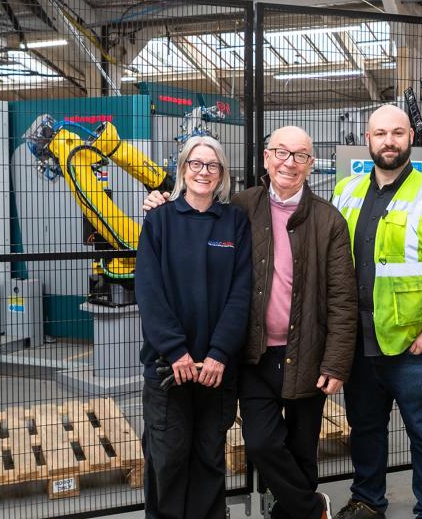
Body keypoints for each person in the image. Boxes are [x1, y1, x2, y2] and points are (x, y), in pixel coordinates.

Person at [143, 126, 358, 519]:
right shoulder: (240, 208)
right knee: (252, 445)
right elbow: (155, 289)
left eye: (300, 156)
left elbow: (342, 297)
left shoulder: (325, 220)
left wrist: (336, 361)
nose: (288, 163)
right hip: (252, 355)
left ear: (311, 164)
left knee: (299, 448)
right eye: (280, 152)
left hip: (299, 351)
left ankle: (299, 511)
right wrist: (159, 199)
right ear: (265, 157)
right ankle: (310, 508)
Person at [329, 105, 422, 519]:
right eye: (380, 134)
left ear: (411, 137)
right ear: (368, 138)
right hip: (359, 342)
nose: (389, 141)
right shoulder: (346, 191)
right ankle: (367, 499)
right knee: (366, 429)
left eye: (397, 133)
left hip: (415, 345)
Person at [136, 135, 252, 519]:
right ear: (183, 169)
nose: (204, 171)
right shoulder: (159, 220)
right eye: (196, 163)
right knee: (167, 459)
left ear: (221, 175)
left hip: (216, 371)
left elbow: (241, 293)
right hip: (168, 368)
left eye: (212, 165)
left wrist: (219, 353)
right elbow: (150, 292)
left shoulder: (234, 221)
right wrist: (175, 350)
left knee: (208, 457)